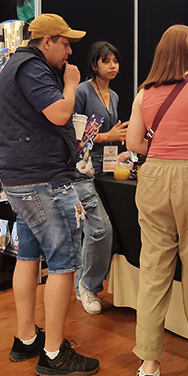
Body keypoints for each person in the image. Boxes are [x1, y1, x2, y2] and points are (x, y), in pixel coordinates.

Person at [0, 13, 100, 376]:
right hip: (44, 181)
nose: (70, 52)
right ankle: (54, 353)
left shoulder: (16, 65)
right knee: (63, 262)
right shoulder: (33, 68)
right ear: (47, 41)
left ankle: (26, 338)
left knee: (28, 255)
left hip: (24, 179)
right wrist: (71, 84)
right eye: (66, 43)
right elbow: (59, 114)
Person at [125, 24, 188, 376]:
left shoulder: (143, 94)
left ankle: (149, 362)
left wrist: (163, 149)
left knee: (153, 270)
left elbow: (134, 142)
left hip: (152, 177)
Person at [73, 41, 128, 315]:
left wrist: (119, 150)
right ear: (94, 65)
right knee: (99, 229)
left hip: (104, 167)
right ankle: (88, 286)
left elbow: (111, 135)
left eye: (115, 61)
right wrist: (108, 136)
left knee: (96, 228)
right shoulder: (82, 91)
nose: (113, 66)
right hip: (81, 169)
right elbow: (75, 136)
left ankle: (81, 283)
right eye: (106, 61)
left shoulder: (114, 96)